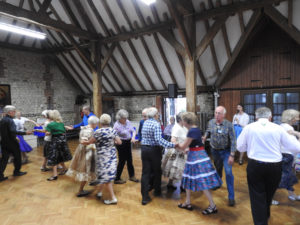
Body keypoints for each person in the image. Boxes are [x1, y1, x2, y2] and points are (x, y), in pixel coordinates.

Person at [237, 107, 300, 225]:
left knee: (257, 196)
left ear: (255, 117)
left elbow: (240, 147)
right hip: (274, 167)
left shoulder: (249, 128)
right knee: (269, 193)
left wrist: (250, 146)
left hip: (255, 165)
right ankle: (265, 215)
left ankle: (262, 220)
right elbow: (295, 147)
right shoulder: (278, 128)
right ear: (270, 117)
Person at [177, 112, 222, 215]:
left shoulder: (191, 131)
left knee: (203, 181)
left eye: (183, 120)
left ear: (186, 121)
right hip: (197, 154)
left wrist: (174, 144)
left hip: (196, 157)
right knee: (188, 178)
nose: (182, 122)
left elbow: (183, 146)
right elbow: (197, 143)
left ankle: (212, 206)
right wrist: (189, 148)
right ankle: (187, 202)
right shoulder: (196, 129)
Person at [140, 107, 177, 205]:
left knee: (145, 173)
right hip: (153, 150)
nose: (158, 116)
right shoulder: (156, 124)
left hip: (144, 149)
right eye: (158, 114)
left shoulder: (145, 122)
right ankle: (157, 191)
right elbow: (158, 140)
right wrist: (172, 145)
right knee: (157, 171)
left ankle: (144, 197)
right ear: (155, 115)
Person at [82, 114, 122, 204]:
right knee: (105, 175)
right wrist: (112, 142)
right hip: (111, 155)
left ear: (100, 122)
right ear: (109, 121)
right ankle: (99, 192)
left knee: (105, 176)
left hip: (102, 157)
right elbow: (119, 142)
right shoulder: (113, 131)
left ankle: (113, 198)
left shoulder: (98, 132)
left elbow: (89, 142)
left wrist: (84, 142)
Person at [202, 106, 236, 206]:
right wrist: (205, 136)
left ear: (224, 115)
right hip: (214, 150)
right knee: (217, 169)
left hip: (226, 152)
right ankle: (218, 182)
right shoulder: (211, 122)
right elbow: (208, 130)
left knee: (229, 172)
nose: (217, 115)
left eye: (219, 113)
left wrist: (232, 155)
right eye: (216, 113)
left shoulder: (229, 125)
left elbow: (233, 140)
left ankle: (231, 197)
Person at [272, 109, 300, 205]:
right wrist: (298, 134)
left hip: (284, 155)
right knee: (282, 177)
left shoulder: (282, 126)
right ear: (291, 118)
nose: (298, 119)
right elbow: (296, 146)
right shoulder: (288, 128)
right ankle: (269, 197)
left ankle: (292, 194)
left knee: (288, 176)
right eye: (297, 117)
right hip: (285, 156)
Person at [66, 116, 99, 197]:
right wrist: (92, 141)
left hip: (85, 150)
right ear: (94, 123)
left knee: (91, 167)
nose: (97, 125)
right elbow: (83, 141)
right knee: (85, 169)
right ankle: (80, 191)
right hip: (86, 151)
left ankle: (92, 180)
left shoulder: (84, 128)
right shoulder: (89, 130)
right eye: (96, 123)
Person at [0, 105, 32, 182]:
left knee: (4, 159)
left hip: (4, 142)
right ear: (10, 112)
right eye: (14, 111)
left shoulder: (2, 120)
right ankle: (16, 172)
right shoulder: (10, 120)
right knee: (17, 157)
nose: (15, 113)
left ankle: (0, 176)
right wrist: (25, 133)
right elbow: (12, 131)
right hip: (12, 142)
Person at [162, 113, 188, 190]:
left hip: (183, 150)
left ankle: (176, 184)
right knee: (176, 168)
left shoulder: (184, 127)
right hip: (178, 150)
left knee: (181, 168)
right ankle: (177, 185)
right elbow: (173, 140)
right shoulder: (177, 127)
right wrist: (182, 147)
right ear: (180, 120)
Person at [113, 109, 138, 184]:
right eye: (124, 118)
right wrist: (116, 141)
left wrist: (133, 137)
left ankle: (132, 176)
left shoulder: (127, 122)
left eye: (126, 118)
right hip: (121, 143)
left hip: (128, 142)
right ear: (119, 118)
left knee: (129, 160)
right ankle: (117, 178)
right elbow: (113, 135)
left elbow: (133, 130)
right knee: (122, 161)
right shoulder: (116, 125)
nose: (126, 119)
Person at [46, 110, 72, 181]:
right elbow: (63, 131)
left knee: (54, 157)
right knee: (60, 156)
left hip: (56, 141)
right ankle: (65, 169)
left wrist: (46, 132)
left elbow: (47, 133)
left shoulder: (50, 124)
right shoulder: (61, 123)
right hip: (63, 141)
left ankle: (55, 175)